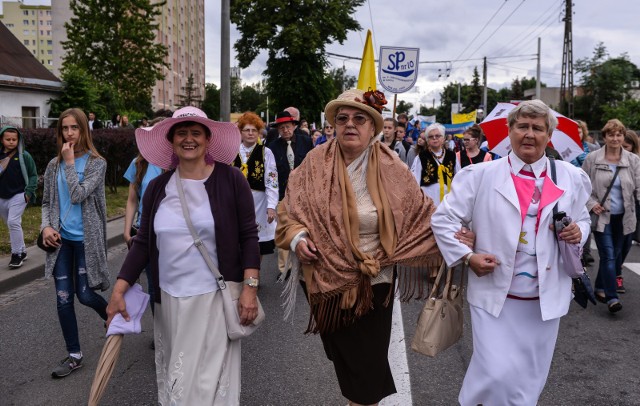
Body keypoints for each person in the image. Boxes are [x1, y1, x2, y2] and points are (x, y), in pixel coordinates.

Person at [276, 88, 443, 406]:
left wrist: (460, 238)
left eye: (359, 118)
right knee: (348, 365)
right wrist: (297, 238)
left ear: (372, 127)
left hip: (376, 283)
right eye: (342, 119)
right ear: (334, 126)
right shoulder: (314, 163)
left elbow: (421, 212)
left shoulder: (391, 165)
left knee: (365, 377)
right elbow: (289, 210)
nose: (350, 124)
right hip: (327, 282)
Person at [431, 99, 592, 405]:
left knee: (527, 380)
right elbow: (443, 218)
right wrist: (468, 257)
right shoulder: (480, 175)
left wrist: (579, 231)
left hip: (544, 300)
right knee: (494, 373)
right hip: (495, 296)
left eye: (537, 128)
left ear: (548, 135)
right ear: (510, 130)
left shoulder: (570, 177)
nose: (529, 134)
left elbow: (583, 217)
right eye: (522, 126)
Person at [106, 106, 260, 404]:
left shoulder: (231, 180)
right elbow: (142, 243)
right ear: (172, 141)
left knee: (205, 385)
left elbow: (249, 237)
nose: (188, 139)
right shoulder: (156, 187)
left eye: (195, 133)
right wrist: (119, 289)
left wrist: (250, 290)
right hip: (170, 302)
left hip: (213, 299)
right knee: (180, 381)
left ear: (207, 140)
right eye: (181, 133)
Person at [40, 108, 110, 378]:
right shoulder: (52, 164)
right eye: (64, 129)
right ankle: (74, 355)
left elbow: (78, 195)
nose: (69, 133)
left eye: (74, 128)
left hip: (86, 242)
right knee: (63, 298)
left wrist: (70, 164)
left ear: (84, 130)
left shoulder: (96, 163)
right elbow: (47, 202)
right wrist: (46, 225)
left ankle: (111, 317)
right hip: (61, 242)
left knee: (85, 294)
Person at [582, 119, 640, 312]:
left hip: (625, 217)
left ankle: (600, 286)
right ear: (604, 137)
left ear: (623, 136)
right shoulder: (592, 158)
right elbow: (582, 187)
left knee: (616, 256)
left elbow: (639, 188)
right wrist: (591, 204)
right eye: (611, 135)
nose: (615, 138)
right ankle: (612, 297)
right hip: (602, 217)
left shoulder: (633, 160)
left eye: (619, 135)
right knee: (607, 256)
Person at [268, 110, 313, 281]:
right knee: (284, 230)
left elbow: (313, 167)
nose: (285, 130)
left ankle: (305, 264)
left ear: (294, 126)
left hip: (304, 194)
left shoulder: (306, 142)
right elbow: (271, 174)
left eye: (287, 126)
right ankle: (284, 268)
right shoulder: (272, 147)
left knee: (306, 229)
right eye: (281, 128)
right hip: (282, 194)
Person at [233, 111, 279, 262]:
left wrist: (271, 206)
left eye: (254, 130)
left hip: (259, 202)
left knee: (257, 241)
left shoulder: (266, 152)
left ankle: (254, 275)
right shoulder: (232, 151)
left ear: (259, 132)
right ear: (241, 132)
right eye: (247, 130)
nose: (251, 133)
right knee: (237, 240)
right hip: (235, 202)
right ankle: (240, 274)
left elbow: (272, 181)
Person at [122, 150, 163, 313]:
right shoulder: (138, 163)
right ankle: (160, 335)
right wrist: (127, 231)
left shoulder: (174, 162)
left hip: (169, 232)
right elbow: (132, 200)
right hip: (145, 232)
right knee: (153, 286)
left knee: (171, 286)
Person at [0, 126, 37, 268]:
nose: (11, 142)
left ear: (18, 140)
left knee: (13, 222)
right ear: (2, 140)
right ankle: (22, 250)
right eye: (8, 139)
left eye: (14, 139)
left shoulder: (24, 156)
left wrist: (28, 192)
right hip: (2, 197)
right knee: (12, 224)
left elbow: (33, 175)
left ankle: (16, 255)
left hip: (19, 194)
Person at [410, 123, 460, 206]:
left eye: (438, 136)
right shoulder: (421, 157)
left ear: (443, 138)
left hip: (448, 201)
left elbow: (458, 178)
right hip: (428, 201)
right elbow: (415, 180)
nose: (434, 138)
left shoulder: (452, 155)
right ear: (427, 140)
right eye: (430, 136)